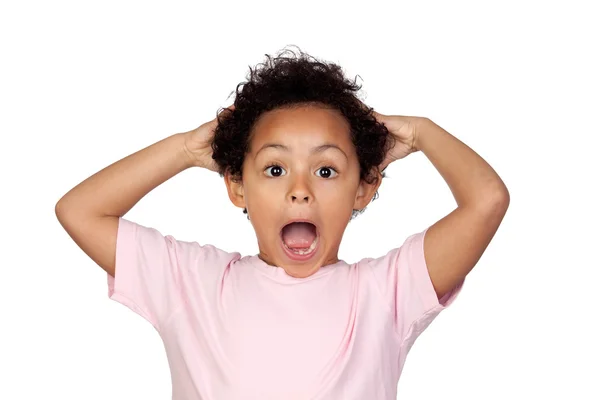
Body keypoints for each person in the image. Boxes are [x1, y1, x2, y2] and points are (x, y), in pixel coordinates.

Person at [55, 46, 509, 399]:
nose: (300, 188)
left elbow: (486, 201)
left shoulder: (384, 294)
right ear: (237, 186)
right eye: (275, 169)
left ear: (364, 188)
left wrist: (421, 132)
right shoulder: (192, 283)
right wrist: (185, 150)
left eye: (326, 170)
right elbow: (79, 211)